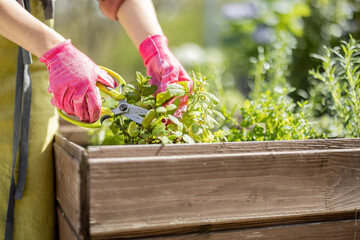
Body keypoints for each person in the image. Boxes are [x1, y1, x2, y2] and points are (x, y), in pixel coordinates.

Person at [0, 0, 192, 239]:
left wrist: (155, 47)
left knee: (30, 214)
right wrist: (56, 50)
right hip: (33, 46)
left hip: (38, 73)